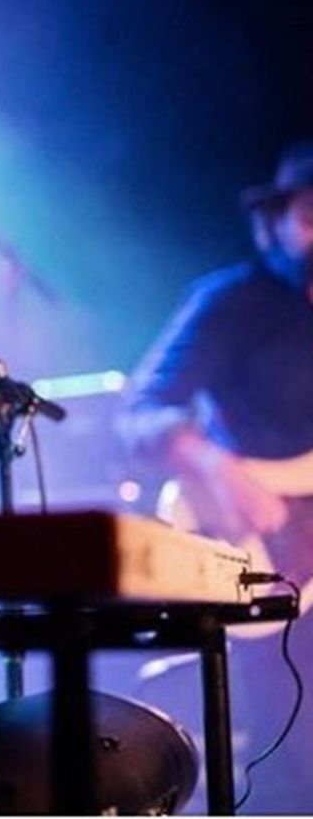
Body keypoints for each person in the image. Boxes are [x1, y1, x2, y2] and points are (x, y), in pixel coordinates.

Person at [122, 139, 313, 812]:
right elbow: (142, 411)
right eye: (311, 216)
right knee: (292, 757)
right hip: (267, 560)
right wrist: (215, 467)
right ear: (276, 222)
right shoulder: (232, 301)